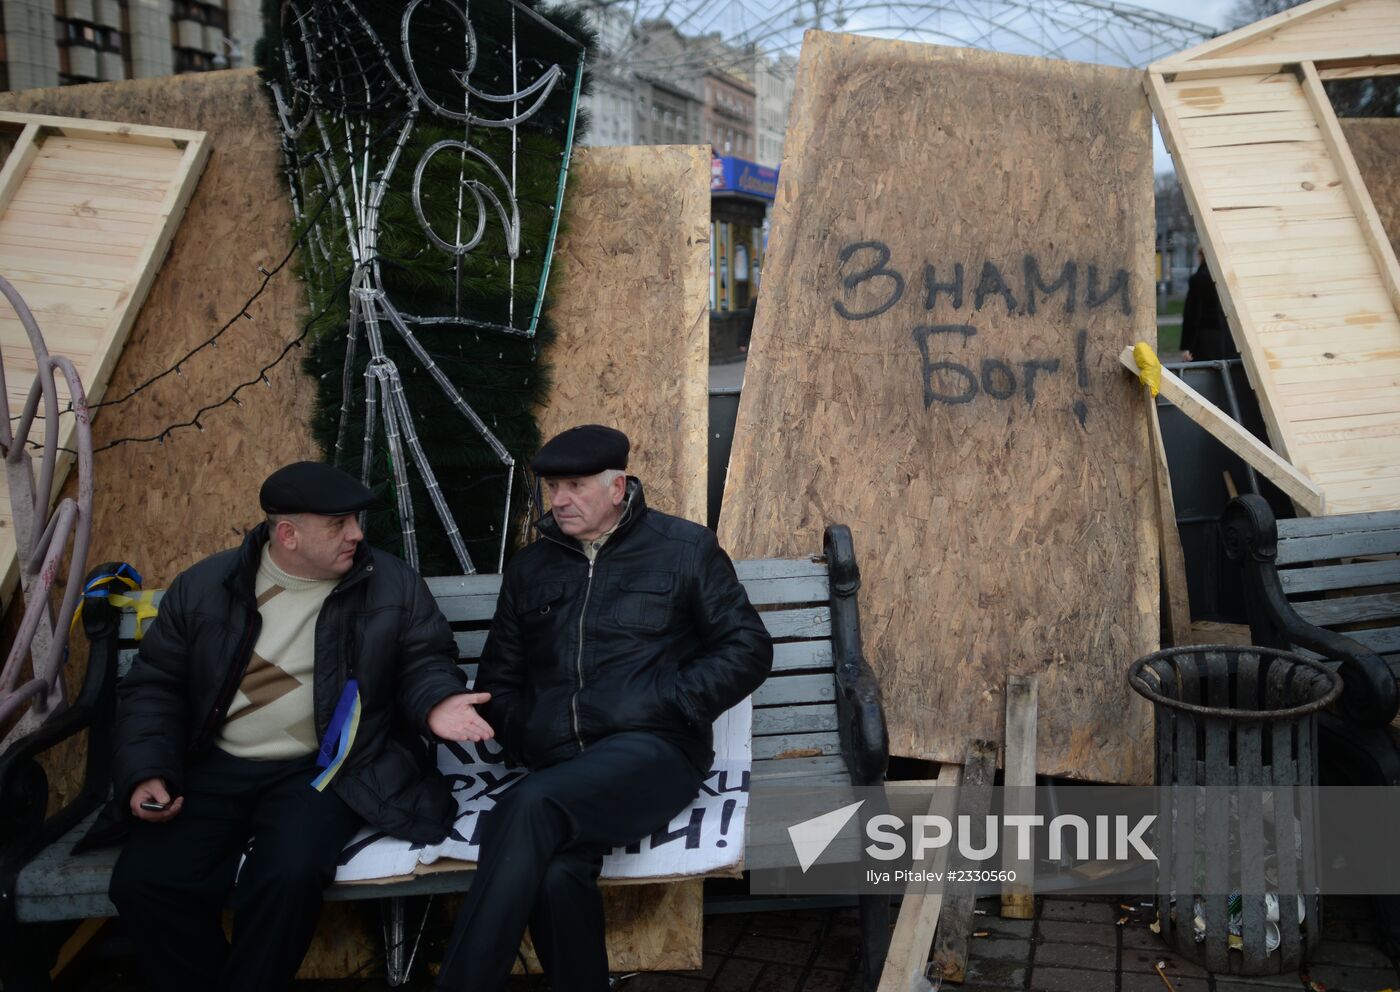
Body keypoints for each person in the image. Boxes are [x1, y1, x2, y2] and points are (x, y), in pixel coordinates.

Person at [104, 461, 493, 992]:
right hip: (215, 767)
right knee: (143, 883)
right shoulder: (205, 588)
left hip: (325, 768)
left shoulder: (389, 584)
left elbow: (426, 659)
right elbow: (155, 688)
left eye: (356, 520)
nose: (356, 534)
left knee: (288, 877)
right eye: (338, 524)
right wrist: (148, 770)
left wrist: (436, 703)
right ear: (287, 533)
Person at [435, 425, 773, 992]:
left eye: (575, 485)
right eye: (551, 488)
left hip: (654, 753)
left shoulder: (684, 549)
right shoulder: (531, 570)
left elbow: (747, 647)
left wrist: (671, 703)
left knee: (526, 807)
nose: (559, 500)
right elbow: (500, 679)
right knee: (554, 871)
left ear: (618, 488)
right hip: (560, 766)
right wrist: (529, 733)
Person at [1179, 248, 1239, 363]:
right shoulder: (1230, 277)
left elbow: (1192, 315)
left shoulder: (1199, 279)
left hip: (1206, 339)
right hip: (1231, 339)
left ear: (1202, 256)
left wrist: (1187, 346)